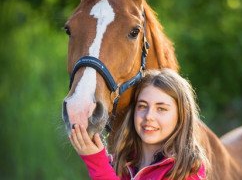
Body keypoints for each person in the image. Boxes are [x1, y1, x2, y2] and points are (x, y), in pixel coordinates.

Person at [69, 69, 209, 179]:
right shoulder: (121, 164)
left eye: (161, 109)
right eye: (142, 106)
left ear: (181, 117)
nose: (148, 116)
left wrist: (97, 164)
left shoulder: (187, 171)